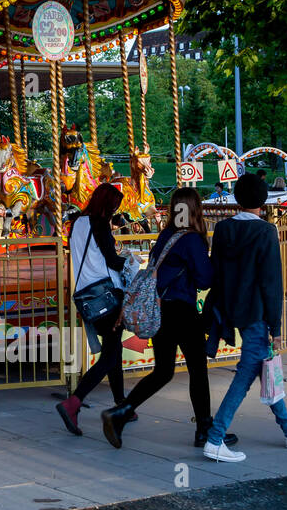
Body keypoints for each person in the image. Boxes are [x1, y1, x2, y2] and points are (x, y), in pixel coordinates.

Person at [100, 187, 237, 450]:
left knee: (163, 370)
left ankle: (121, 412)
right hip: (181, 310)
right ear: (195, 209)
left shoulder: (166, 235)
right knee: (197, 369)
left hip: (161, 308)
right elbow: (205, 279)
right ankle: (204, 429)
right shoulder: (191, 239)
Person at [200, 173, 287, 462]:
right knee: (248, 372)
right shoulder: (266, 232)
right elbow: (271, 283)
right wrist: (275, 326)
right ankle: (215, 438)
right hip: (256, 312)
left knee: (263, 368)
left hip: (230, 308)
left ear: (237, 199)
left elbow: (217, 270)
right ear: (263, 200)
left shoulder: (224, 228)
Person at [56, 183, 131, 437]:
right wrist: (131, 261)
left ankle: (123, 405)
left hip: (88, 295)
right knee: (110, 356)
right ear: (105, 205)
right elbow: (111, 260)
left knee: (114, 349)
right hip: (106, 294)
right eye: (113, 207)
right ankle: (73, 402)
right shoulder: (99, 223)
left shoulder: (77, 223)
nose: (114, 212)